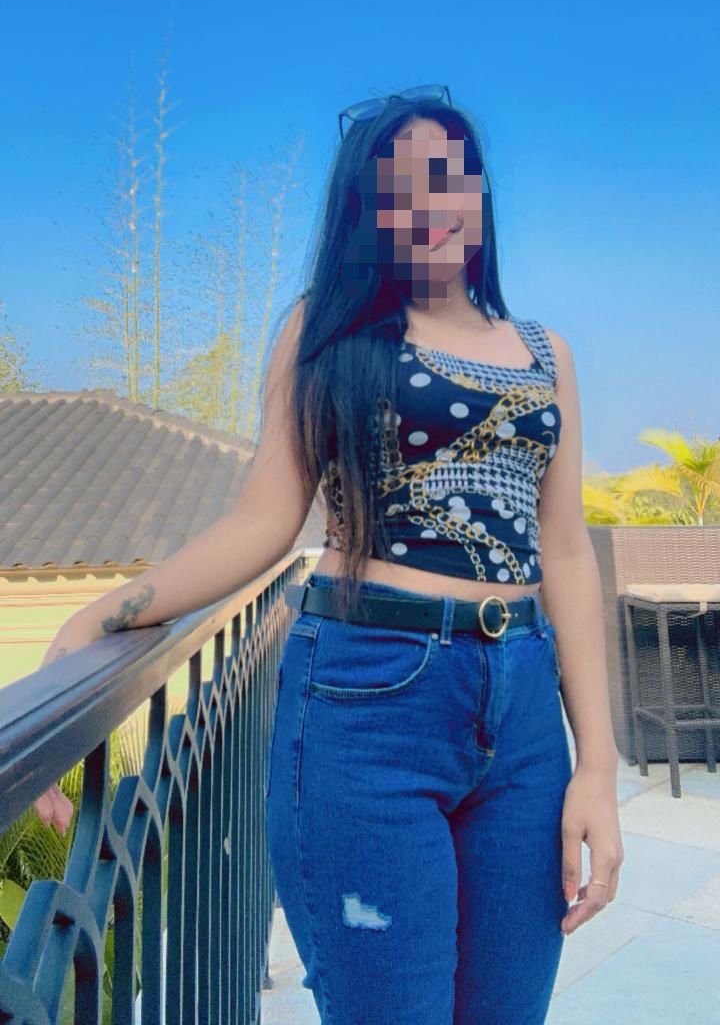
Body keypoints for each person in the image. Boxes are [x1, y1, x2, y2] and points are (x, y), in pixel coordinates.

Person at [33, 84, 623, 1024]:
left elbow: (566, 553)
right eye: (397, 189)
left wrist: (597, 766)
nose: (429, 205)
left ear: (478, 190)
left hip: (522, 717)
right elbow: (263, 522)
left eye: (448, 177)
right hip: (369, 700)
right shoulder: (328, 332)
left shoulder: (548, 354)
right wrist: (102, 616)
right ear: (366, 216)